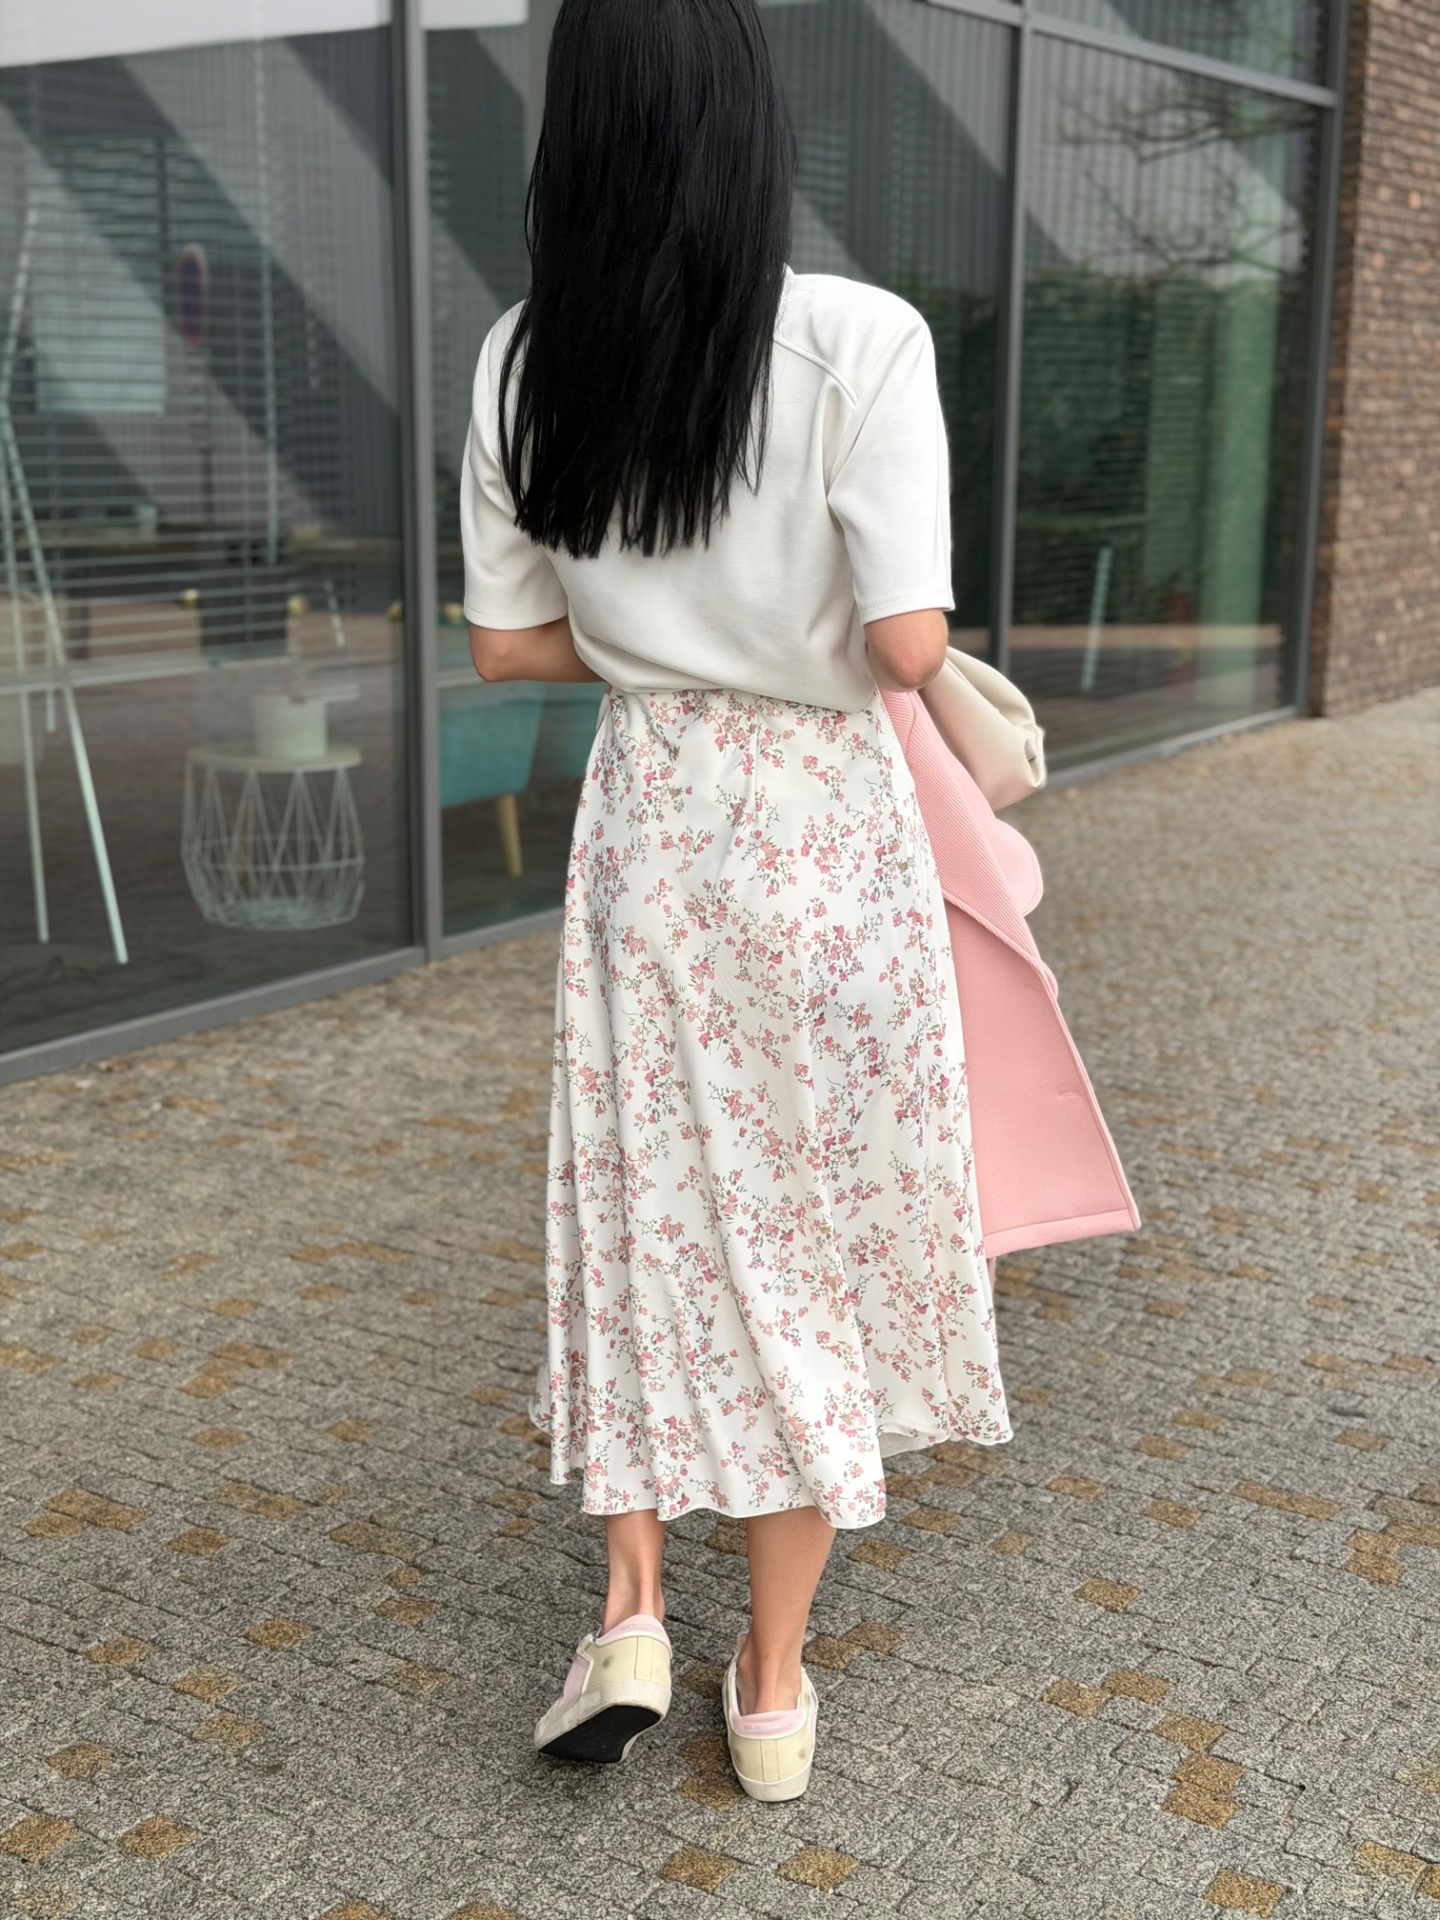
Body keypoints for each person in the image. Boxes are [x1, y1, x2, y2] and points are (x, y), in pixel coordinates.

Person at [459, 0, 1008, 1803]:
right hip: (822, 831)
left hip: (651, 826)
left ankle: (630, 1609)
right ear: (752, 123)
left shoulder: (521, 358)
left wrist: (657, 645)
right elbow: (908, 645)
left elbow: (508, 647)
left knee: (641, 1203)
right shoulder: (859, 337)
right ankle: (768, 1689)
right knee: (807, 1230)